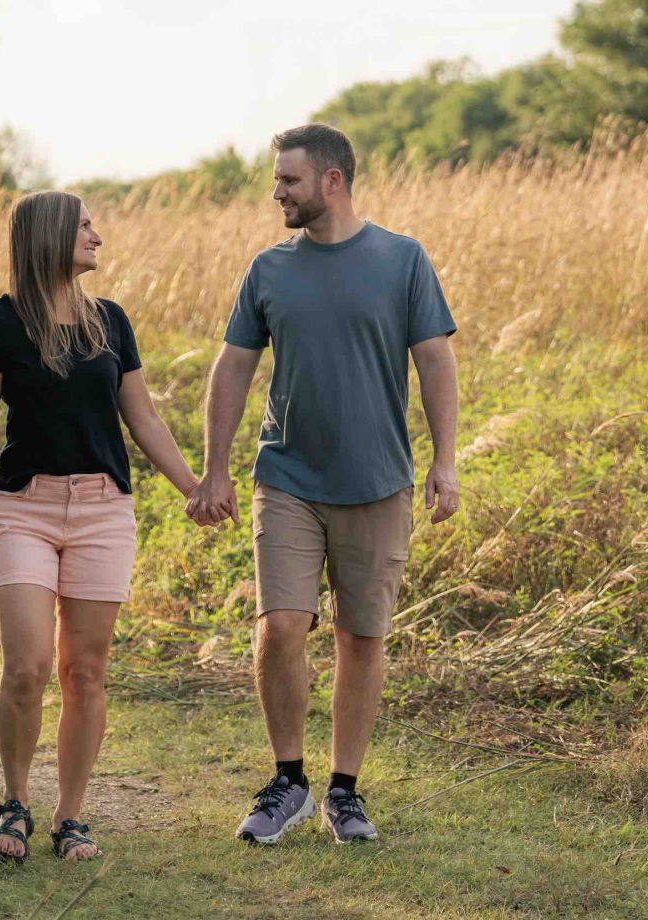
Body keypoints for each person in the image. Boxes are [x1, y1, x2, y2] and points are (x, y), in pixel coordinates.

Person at [187, 124, 460, 845]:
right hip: (287, 478)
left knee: (360, 638)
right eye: (277, 180)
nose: (276, 192)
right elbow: (233, 367)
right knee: (281, 627)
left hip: (378, 482)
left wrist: (446, 460)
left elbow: (435, 360)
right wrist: (215, 466)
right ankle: (289, 782)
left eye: (288, 181)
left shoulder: (402, 260)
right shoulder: (269, 270)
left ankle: (344, 791)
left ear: (332, 181)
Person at [0, 190, 200, 864]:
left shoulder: (110, 322)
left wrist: (195, 487)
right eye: (85, 225)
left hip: (103, 512)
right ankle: (15, 803)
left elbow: (143, 418)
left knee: (85, 673)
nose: (97, 234)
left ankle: (71, 816)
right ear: (49, 238)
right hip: (23, 509)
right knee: (27, 667)